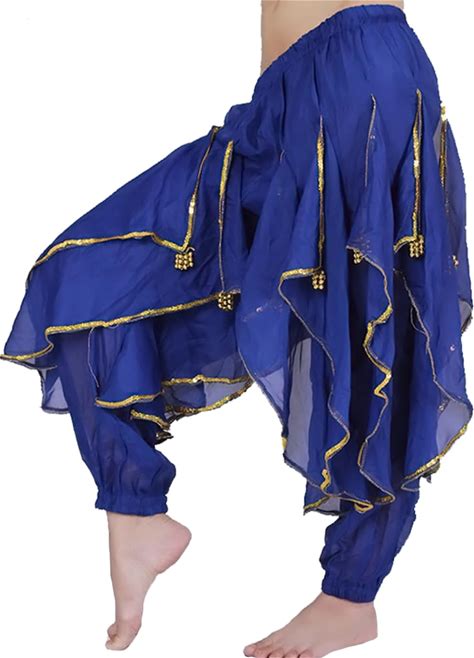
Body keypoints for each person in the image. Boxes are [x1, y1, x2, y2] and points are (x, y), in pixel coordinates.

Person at [1, 1, 472, 656]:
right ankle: (134, 510)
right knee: (80, 279)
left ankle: (350, 594)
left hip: (355, 71)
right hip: (280, 102)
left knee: (369, 336)